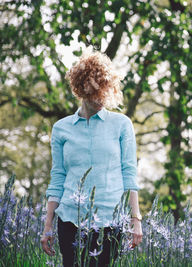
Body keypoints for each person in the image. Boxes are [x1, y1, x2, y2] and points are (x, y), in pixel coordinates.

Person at [40, 50, 143, 267]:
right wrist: (48, 224)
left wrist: (136, 219)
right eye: (97, 91)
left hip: (110, 222)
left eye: (106, 91)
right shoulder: (61, 129)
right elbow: (57, 177)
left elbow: (129, 173)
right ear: (82, 87)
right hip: (69, 220)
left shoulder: (122, 125)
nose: (102, 98)